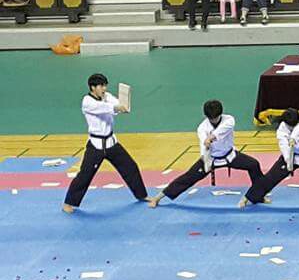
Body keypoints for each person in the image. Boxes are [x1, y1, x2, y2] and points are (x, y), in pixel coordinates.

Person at [147, 100, 264, 208]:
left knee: (253, 164)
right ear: (206, 116)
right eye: (211, 118)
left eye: (216, 117)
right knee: (188, 177)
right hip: (211, 158)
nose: (214, 120)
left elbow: (222, 130)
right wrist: (205, 159)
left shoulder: (229, 120)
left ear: (220, 114)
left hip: (230, 155)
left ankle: (259, 196)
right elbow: (204, 145)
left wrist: (211, 137)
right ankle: (158, 198)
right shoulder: (202, 128)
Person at [62, 74, 146, 213]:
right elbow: (104, 108)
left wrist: (123, 105)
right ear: (92, 87)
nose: (104, 88)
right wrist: (118, 108)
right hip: (96, 145)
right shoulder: (87, 102)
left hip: (111, 142)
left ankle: (141, 195)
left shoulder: (107, 96)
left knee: (130, 167)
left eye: (105, 85)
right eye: (101, 86)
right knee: (85, 175)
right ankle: (69, 203)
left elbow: (116, 103)